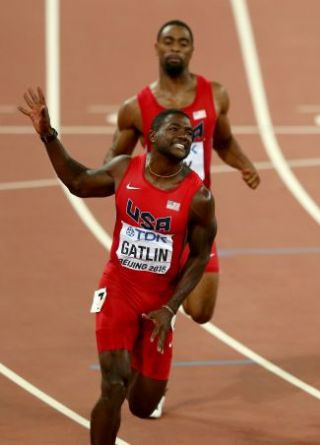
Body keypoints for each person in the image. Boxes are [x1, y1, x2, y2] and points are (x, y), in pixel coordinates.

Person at [20, 87, 217, 445]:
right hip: (119, 290)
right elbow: (79, 182)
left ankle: (150, 375)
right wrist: (49, 136)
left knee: (143, 406)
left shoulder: (199, 197)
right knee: (114, 383)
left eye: (189, 133)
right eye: (175, 129)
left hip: (160, 304)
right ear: (152, 136)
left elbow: (200, 255)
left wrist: (171, 307)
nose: (184, 136)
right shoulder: (125, 168)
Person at [103, 19, 259, 327]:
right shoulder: (135, 107)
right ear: (157, 47)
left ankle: (171, 289)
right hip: (155, 224)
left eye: (182, 43)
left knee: (201, 311)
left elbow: (224, 141)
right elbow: (114, 159)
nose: (175, 48)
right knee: (144, 312)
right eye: (169, 41)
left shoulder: (214, 95)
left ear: (192, 50)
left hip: (195, 218)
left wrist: (244, 163)